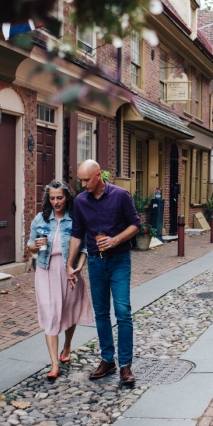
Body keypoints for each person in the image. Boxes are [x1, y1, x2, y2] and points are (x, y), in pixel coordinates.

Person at [67, 160, 141, 385]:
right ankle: (107, 360)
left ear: (98, 176)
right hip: (96, 264)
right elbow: (77, 235)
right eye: (80, 180)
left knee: (123, 311)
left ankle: (125, 365)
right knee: (101, 313)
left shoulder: (120, 196)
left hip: (119, 260)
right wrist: (69, 265)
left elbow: (136, 224)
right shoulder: (80, 201)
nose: (83, 184)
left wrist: (116, 239)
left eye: (87, 180)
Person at [28, 180, 93, 380]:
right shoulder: (40, 219)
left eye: (60, 198)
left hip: (68, 269)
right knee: (50, 313)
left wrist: (78, 268)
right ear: (48, 199)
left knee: (69, 309)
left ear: (67, 198)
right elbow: (29, 245)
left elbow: (84, 248)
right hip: (45, 269)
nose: (56, 202)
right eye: (52, 198)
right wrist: (35, 246)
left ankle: (66, 347)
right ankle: (54, 364)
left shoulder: (75, 219)